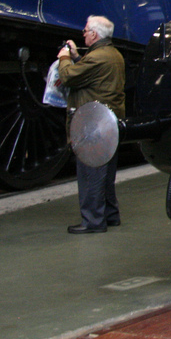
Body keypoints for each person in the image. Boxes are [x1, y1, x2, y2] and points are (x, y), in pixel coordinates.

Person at [57, 15, 126, 233]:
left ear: (94, 34)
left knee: (91, 174)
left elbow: (68, 76)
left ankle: (93, 221)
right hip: (109, 124)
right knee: (106, 174)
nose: (83, 34)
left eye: (85, 31)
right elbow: (92, 74)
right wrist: (78, 57)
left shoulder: (97, 58)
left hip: (93, 126)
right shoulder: (113, 55)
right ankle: (110, 215)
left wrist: (65, 57)